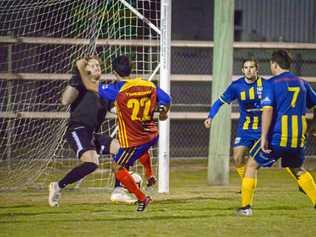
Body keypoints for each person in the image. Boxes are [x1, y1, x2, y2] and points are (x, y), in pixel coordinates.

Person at [76, 55, 171, 212]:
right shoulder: (148, 85)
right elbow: (166, 99)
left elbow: (89, 84)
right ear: (131, 69)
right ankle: (149, 175)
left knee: (117, 167)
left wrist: (80, 67)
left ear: (114, 73)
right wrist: (163, 112)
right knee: (138, 151)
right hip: (151, 134)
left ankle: (142, 198)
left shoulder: (117, 89)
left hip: (134, 140)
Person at [237, 50, 316, 216]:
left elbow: (267, 110)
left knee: (251, 165)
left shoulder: (270, 84)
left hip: (276, 135)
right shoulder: (302, 83)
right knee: (297, 169)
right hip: (297, 136)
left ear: (274, 65)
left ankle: (245, 208)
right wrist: (312, 127)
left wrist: (264, 136)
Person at [48, 56, 131, 207]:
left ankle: (118, 190)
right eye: (92, 66)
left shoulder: (105, 90)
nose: (96, 67)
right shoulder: (80, 84)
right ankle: (58, 186)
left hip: (91, 134)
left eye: (98, 65)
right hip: (78, 129)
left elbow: (116, 110)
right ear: (85, 71)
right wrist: (76, 76)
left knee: (122, 150)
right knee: (92, 163)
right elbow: (65, 100)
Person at [204, 58, 264, 183]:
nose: (248, 70)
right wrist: (210, 116)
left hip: (263, 129)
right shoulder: (236, 86)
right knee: (237, 158)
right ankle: (246, 183)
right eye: (246, 67)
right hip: (245, 128)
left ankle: (299, 178)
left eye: (251, 67)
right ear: (242, 70)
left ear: (257, 69)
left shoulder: (266, 85)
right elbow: (219, 102)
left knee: (280, 155)